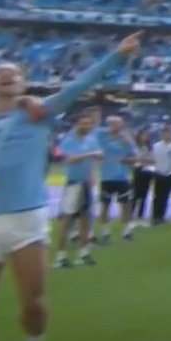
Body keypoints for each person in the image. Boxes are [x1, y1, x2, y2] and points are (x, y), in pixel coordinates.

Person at [0, 35, 135, 341]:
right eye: (0, 73)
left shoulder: (40, 113)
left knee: (33, 304)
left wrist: (118, 55)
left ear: (23, 83)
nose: (7, 76)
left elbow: (81, 84)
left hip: (26, 219)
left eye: (14, 73)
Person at [52, 109, 104, 268]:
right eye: (83, 123)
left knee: (86, 218)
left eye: (88, 123)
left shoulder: (91, 139)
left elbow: (98, 155)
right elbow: (69, 158)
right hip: (73, 182)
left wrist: (96, 161)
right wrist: (90, 154)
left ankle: (83, 252)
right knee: (67, 220)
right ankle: (61, 255)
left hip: (86, 182)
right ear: (76, 124)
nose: (87, 125)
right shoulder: (69, 139)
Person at [95, 115, 139, 244]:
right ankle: (105, 232)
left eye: (119, 124)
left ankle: (126, 231)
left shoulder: (125, 139)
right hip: (106, 177)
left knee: (125, 205)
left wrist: (124, 159)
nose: (116, 127)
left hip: (122, 177)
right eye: (113, 124)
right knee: (105, 205)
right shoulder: (101, 136)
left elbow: (135, 157)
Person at [148, 124, 171, 225]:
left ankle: (161, 216)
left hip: (170, 173)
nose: (166, 135)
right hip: (159, 172)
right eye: (164, 132)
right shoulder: (156, 146)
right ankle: (155, 216)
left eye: (168, 132)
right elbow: (153, 158)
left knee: (165, 195)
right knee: (157, 196)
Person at [128, 129, 154, 233]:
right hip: (138, 170)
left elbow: (152, 159)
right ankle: (129, 219)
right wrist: (142, 159)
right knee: (135, 195)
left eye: (147, 135)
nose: (145, 137)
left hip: (147, 171)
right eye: (144, 135)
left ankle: (140, 218)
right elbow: (134, 159)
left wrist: (144, 159)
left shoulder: (149, 147)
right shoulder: (135, 147)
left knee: (144, 196)